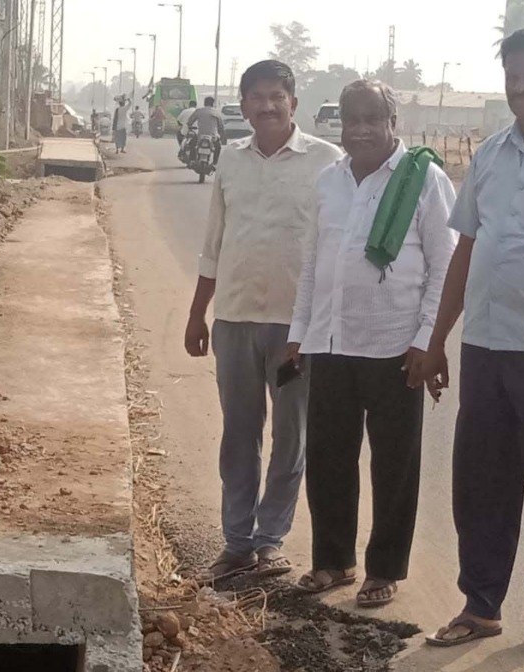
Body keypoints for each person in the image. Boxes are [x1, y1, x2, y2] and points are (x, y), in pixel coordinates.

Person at [412, 28, 524, 659]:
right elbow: (466, 249)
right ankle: (481, 605)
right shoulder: (488, 154)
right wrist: (438, 340)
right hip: (485, 349)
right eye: (512, 77)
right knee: (480, 483)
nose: (521, 88)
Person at [288, 80, 456, 608]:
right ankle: (333, 560)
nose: (359, 130)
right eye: (349, 118)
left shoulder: (424, 179)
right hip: (332, 342)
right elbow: (314, 264)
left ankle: (385, 568)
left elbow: (446, 265)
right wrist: (299, 335)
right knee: (328, 457)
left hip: (395, 346)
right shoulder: (328, 181)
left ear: (393, 123)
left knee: (394, 465)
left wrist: (428, 340)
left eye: (371, 119)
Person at [185, 60, 343, 582]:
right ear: (243, 103)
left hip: (298, 329)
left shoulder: (329, 162)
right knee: (238, 433)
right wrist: (196, 314)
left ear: (293, 102)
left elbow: (339, 247)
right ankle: (236, 543)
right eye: (256, 97)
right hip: (233, 319)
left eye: (277, 96)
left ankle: (270, 540)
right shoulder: (230, 160)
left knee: (291, 436)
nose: (267, 106)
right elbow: (213, 243)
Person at [186, 96, 226, 164]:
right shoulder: (217, 113)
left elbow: (189, 122)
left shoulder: (199, 111)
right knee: (218, 147)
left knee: (191, 144)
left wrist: (190, 127)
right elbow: (221, 126)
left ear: (204, 103)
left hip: (200, 135)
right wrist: (221, 135)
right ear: (213, 104)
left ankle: (192, 160)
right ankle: (215, 163)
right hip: (213, 137)